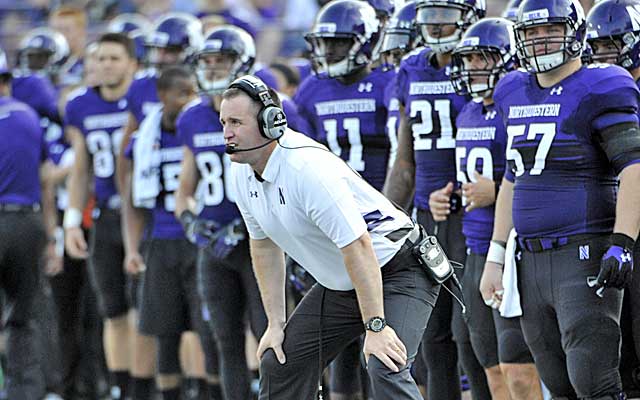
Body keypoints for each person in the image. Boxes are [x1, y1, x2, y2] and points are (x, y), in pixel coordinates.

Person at [222, 74, 440, 400]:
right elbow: (263, 244)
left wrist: (376, 326)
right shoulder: (241, 170)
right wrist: (275, 323)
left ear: (271, 122)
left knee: (384, 363)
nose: (227, 132)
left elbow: (359, 246)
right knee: (281, 361)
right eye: (224, 122)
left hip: (397, 270)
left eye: (236, 122)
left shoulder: (305, 168)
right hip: (345, 281)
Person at [479, 0, 640, 398]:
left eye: (548, 29)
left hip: (583, 250)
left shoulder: (601, 85)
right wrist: (496, 256)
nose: (539, 40)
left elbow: (634, 167)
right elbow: (512, 178)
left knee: (594, 381)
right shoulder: (512, 89)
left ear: (574, 32)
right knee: (557, 383)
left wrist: (622, 242)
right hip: (530, 261)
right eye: (530, 32)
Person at [383, 0, 490, 398]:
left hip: (475, 215)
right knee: (433, 336)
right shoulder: (412, 67)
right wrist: (382, 218)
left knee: (473, 337)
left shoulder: (483, 61)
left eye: (446, 15)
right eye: (430, 14)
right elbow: (405, 159)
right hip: (428, 217)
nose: (436, 24)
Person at [448, 17, 543, 400]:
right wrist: (450, 196)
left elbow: (534, 172)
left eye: (482, 59)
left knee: (519, 369)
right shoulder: (467, 112)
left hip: (510, 249)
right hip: (473, 249)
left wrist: (499, 187)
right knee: (489, 367)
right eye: (469, 60)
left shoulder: (517, 106)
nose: (473, 68)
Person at [175, 25, 269, 399]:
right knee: (225, 343)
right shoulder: (192, 117)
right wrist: (195, 227)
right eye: (207, 61)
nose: (213, 68)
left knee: (271, 337)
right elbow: (184, 194)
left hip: (262, 241)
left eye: (222, 61)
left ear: (243, 63)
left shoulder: (270, 109)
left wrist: (254, 225)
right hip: (215, 248)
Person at [63, 32, 154, 400]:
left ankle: (146, 388)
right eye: (99, 58)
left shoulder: (146, 98)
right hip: (105, 216)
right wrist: (72, 220)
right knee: (113, 310)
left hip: (145, 217)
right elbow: (81, 168)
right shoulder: (81, 105)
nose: (105, 65)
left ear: (133, 63)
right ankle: (121, 388)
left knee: (146, 312)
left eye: (114, 58)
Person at [123, 66, 211, 400]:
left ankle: (204, 393)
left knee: (206, 330)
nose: (190, 101)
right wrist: (133, 248)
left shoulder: (203, 129)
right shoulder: (144, 138)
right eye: (182, 94)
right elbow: (134, 200)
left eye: (193, 93)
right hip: (161, 240)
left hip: (199, 238)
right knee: (165, 332)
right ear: (162, 97)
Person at [0, 45, 57, 400]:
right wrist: (51, 238)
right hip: (27, 223)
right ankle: (26, 392)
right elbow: (47, 180)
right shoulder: (28, 116)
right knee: (25, 315)